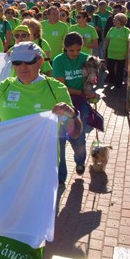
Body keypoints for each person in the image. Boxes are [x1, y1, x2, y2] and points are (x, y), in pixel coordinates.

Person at [52, 32, 97, 183]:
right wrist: (82, 92)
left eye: (78, 50)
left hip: (81, 103)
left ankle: (79, 161)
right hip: (63, 103)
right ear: (65, 47)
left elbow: (92, 80)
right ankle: (61, 176)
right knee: (60, 141)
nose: (75, 53)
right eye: (71, 50)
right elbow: (61, 86)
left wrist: (91, 91)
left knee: (78, 137)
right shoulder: (59, 61)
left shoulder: (86, 59)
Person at [104, 12, 130, 88]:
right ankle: (112, 81)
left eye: (115, 19)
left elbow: (129, 43)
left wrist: (128, 54)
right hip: (111, 54)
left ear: (120, 21)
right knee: (110, 68)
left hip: (121, 55)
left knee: (120, 70)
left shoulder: (127, 31)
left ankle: (118, 85)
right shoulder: (112, 29)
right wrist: (104, 50)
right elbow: (107, 40)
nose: (113, 20)